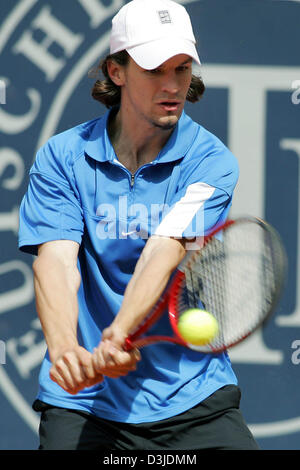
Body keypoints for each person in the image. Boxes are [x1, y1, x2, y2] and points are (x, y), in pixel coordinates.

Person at [18, 0, 259, 451]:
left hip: (192, 396)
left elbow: (163, 251)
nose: (172, 86)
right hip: (84, 404)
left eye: (182, 69)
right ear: (116, 71)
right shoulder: (62, 157)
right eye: (154, 70)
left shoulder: (211, 162)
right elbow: (56, 263)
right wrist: (67, 349)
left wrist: (119, 331)